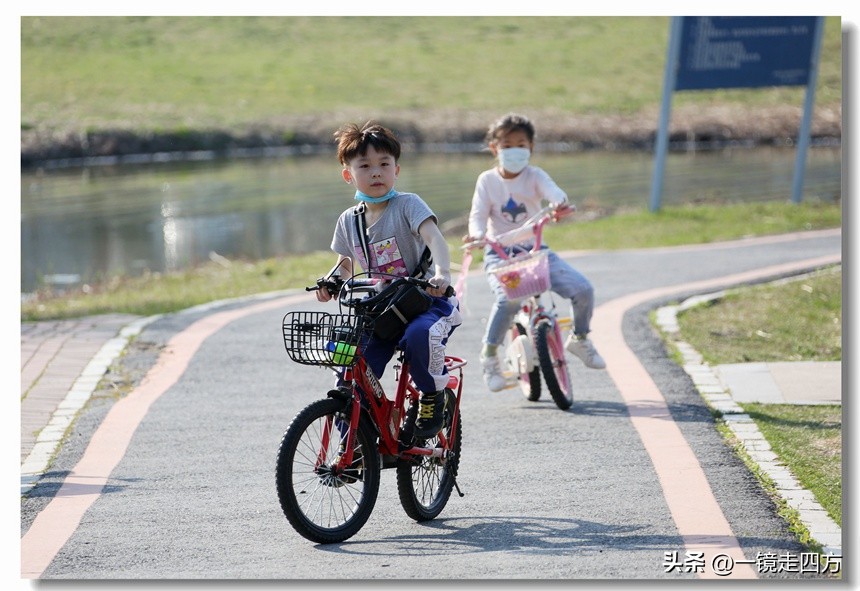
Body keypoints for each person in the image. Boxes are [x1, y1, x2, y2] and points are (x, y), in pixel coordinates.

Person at [317, 121, 462, 437]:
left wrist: (443, 274)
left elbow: (435, 239)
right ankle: (351, 446)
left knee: (418, 336)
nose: (376, 173)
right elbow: (345, 263)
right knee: (350, 366)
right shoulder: (348, 220)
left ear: (396, 170)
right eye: (365, 166)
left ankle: (433, 397)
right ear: (348, 175)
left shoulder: (408, 205)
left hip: (427, 303)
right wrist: (331, 281)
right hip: (382, 311)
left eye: (384, 164)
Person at [463, 113, 605, 392]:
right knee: (508, 301)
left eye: (521, 144)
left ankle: (580, 337)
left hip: (536, 251)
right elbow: (477, 216)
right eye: (506, 145)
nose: (514, 150)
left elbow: (554, 193)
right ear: (495, 148)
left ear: (531, 147)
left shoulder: (535, 176)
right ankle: (490, 356)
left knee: (582, 289)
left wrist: (559, 204)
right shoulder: (487, 181)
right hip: (501, 256)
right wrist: (478, 235)